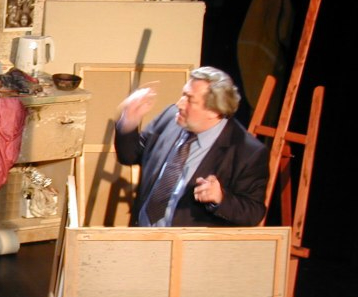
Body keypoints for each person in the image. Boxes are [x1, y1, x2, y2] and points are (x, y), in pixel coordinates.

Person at [115, 66, 268, 227]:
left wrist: (221, 199)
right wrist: (128, 122)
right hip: (142, 233)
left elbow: (254, 212)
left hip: (191, 241)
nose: (180, 104)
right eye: (183, 95)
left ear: (214, 111)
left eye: (190, 99)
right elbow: (130, 156)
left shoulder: (247, 152)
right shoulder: (170, 117)